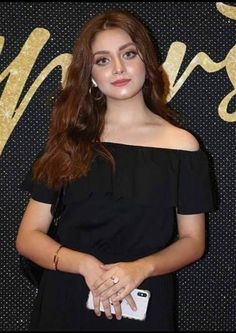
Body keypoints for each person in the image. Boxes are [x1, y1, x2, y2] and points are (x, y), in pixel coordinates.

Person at [16, 8, 214, 331]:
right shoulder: (70, 141)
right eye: (103, 60)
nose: (118, 68)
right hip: (65, 302)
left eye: (128, 54)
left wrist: (141, 269)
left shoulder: (183, 147)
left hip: (143, 302)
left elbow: (193, 241)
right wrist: (84, 266)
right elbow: (27, 237)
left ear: (146, 61)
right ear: (90, 74)